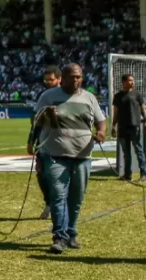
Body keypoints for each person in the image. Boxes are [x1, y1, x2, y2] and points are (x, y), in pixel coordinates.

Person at [34, 63, 106, 254]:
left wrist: (100, 132)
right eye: (72, 77)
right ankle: (59, 236)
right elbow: (36, 121)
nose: (76, 80)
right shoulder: (48, 96)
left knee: (76, 198)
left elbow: (101, 120)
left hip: (83, 156)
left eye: (79, 76)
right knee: (58, 195)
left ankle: (71, 233)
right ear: (62, 78)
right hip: (55, 155)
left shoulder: (89, 97)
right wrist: (46, 115)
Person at [27, 65, 61, 219]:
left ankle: (60, 205)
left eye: (51, 79)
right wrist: (31, 140)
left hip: (64, 143)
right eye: (46, 80)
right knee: (42, 174)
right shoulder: (43, 96)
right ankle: (49, 204)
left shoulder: (67, 95)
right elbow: (36, 121)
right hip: (44, 143)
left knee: (60, 176)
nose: (47, 82)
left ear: (59, 79)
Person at [111, 73, 146, 182]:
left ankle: (143, 174)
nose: (132, 82)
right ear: (123, 82)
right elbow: (116, 113)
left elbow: (143, 109)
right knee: (126, 153)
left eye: (133, 80)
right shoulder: (118, 96)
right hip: (122, 128)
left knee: (139, 150)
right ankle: (128, 175)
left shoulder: (137, 94)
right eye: (130, 80)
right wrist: (113, 125)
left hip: (135, 126)